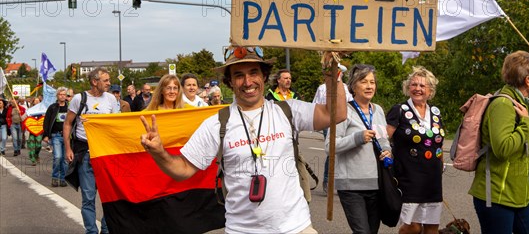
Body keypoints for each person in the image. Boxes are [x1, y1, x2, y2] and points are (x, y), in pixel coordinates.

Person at [140, 46, 347, 233]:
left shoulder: (288, 110)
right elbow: (182, 169)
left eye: (253, 73)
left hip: (296, 227)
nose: (247, 82)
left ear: (264, 76)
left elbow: (335, 114)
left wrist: (332, 71)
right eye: (239, 75)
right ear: (229, 82)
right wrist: (159, 152)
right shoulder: (217, 124)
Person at [469, 51, 529, 234]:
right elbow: (503, 149)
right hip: (496, 196)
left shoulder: (523, 103)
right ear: (527, 80)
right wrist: (526, 123)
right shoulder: (503, 104)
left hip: (521, 195)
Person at [326, 64, 392, 234]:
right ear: (353, 86)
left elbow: (383, 138)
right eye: (364, 82)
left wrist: (386, 150)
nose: (369, 86)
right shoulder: (343, 111)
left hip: (376, 184)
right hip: (351, 187)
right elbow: (330, 146)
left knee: (371, 231)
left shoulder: (378, 110)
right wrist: (357, 138)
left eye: (372, 82)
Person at [386, 66, 445, 234]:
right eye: (414, 85)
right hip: (408, 178)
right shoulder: (399, 110)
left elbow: (438, 144)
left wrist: (440, 166)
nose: (417, 89)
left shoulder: (435, 113)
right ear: (408, 87)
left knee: (432, 228)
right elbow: (384, 139)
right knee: (412, 227)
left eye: (422, 86)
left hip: (432, 180)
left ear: (430, 90)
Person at [64, 67, 120, 234]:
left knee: (109, 197)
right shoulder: (78, 99)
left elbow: (116, 124)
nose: (109, 83)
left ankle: (105, 228)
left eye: (109, 80)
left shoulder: (111, 99)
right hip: (85, 153)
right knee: (88, 198)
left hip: (105, 153)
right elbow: (67, 124)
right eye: (106, 80)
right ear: (95, 82)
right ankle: (91, 231)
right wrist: (68, 148)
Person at [313, 63, 353, 193]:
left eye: (340, 72)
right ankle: (327, 179)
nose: (338, 74)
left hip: (344, 122)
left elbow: (352, 105)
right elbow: (316, 104)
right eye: (336, 71)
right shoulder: (322, 88)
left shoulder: (346, 88)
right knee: (332, 151)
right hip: (328, 122)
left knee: (344, 150)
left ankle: (343, 180)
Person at [42, 87, 70, 187]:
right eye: (60, 94)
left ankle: (63, 178)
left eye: (64, 94)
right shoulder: (52, 107)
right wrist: (45, 135)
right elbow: (46, 121)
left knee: (65, 159)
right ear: (57, 96)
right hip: (56, 135)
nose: (62, 96)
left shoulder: (70, 107)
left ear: (66, 96)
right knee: (58, 157)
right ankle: (54, 177)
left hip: (67, 137)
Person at [26, 97, 44, 165]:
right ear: (33, 102)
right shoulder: (30, 110)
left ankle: (36, 155)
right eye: (35, 101)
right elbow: (24, 118)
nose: (36, 102)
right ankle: (33, 159)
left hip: (39, 130)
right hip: (31, 131)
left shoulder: (43, 110)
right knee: (32, 145)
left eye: (38, 101)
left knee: (38, 145)